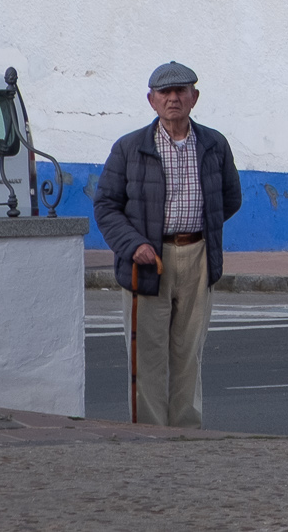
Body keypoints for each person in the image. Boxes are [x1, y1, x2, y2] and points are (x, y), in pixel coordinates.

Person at [93, 60, 244, 427]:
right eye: (165, 92)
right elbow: (106, 206)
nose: (173, 98)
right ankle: (149, 432)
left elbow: (230, 197)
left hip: (197, 256)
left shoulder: (214, 144)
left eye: (181, 91)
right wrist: (134, 245)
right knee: (147, 354)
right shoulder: (129, 148)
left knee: (188, 351)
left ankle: (186, 431)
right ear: (152, 100)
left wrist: (198, 227)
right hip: (147, 261)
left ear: (194, 97)